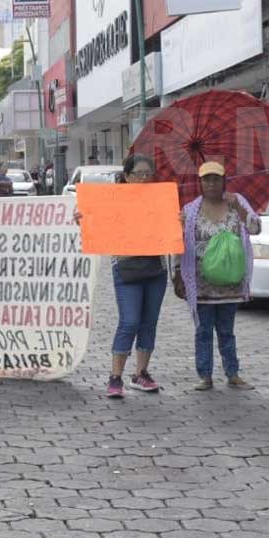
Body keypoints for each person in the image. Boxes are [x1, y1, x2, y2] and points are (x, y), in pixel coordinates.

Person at [78, 154, 170, 399]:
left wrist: (176, 222)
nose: (144, 178)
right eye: (138, 174)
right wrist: (83, 220)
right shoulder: (113, 201)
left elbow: (170, 231)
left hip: (155, 269)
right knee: (129, 322)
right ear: (127, 176)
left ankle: (142, 373)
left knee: (149, 323)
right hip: (127, 268)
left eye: (148, 174)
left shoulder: (161, 201)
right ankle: (115, 376)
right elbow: (96, 223)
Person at [176, 161, 259, 391]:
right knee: (203, 330)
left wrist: (241, 211)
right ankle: (205, 375)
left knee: (226, 330)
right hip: (201, 283)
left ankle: (232, 373)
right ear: (200, 182)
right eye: (206, 179)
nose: (211, 183)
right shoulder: (190, 209)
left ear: (224, 180)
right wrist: (179, 231)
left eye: (216, 178)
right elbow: (179, 245)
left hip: (230, 283)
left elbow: (255, 228)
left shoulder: (237, 202)